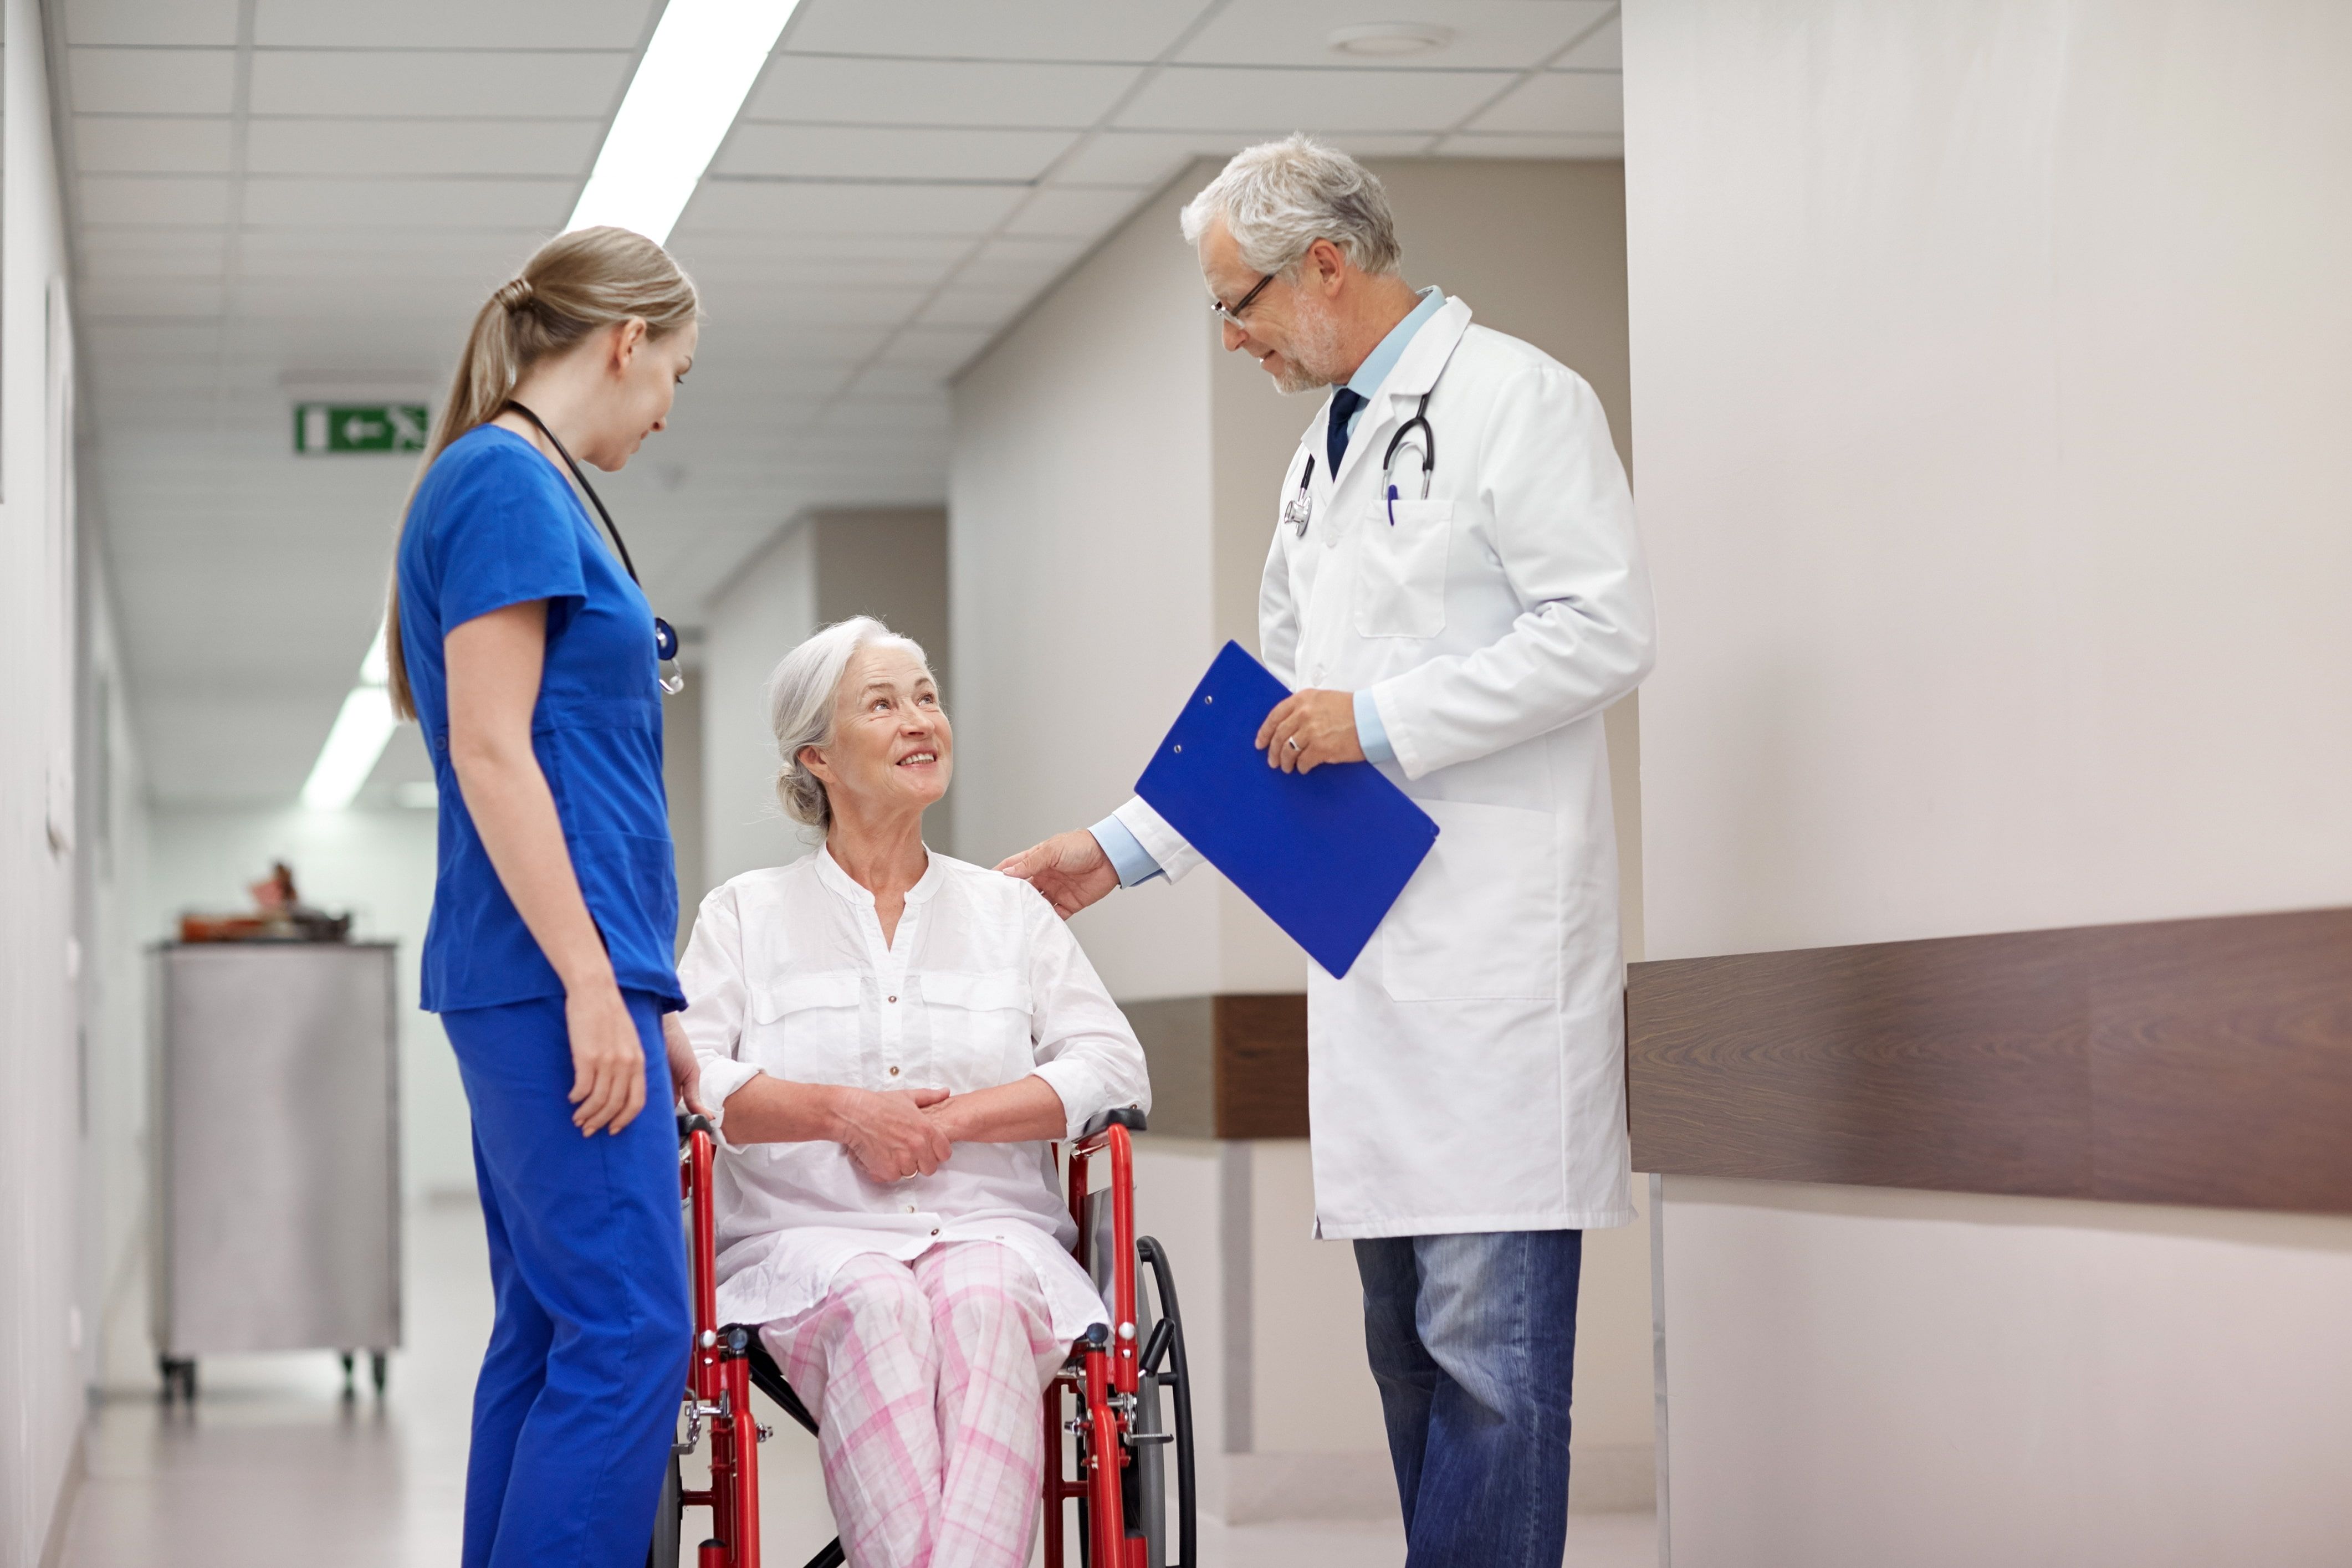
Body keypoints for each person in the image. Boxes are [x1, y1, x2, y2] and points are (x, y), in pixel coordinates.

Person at [998, 137, 1654, 1568]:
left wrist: (1382, 719)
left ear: (1328, 269)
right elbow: (1275, 716)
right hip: (1372, 979)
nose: (1227, 336)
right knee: (1410, 1365)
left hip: (1492, 980)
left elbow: (1605, 631)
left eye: (1235, 303)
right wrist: (1114, 850)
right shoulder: (1321, 457)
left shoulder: (1517, 402)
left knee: (1492, 1374)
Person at [677, 617, 1151, 1568]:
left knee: (979, 1295)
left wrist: (956, 1122)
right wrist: (841, 1113)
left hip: (995, 1235)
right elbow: (692, 1074)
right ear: (817, 754)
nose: (919, 719)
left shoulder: (1010, 912)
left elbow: (1112, 1064)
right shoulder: (745, 914)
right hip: (811, 1248)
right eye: (883, 703)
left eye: (927, 696)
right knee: (876, 1302)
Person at [386, 226, 704, 1568]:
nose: (668, 406)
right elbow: (492, 746)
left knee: (554, 1327)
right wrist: (589, 980)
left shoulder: (525, 484)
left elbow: (574, 774)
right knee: (633, 1329)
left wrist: (645, 990)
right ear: (625, 342)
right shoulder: (508, 485)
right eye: (674, 373)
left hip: (563, 968)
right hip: (540, 972)